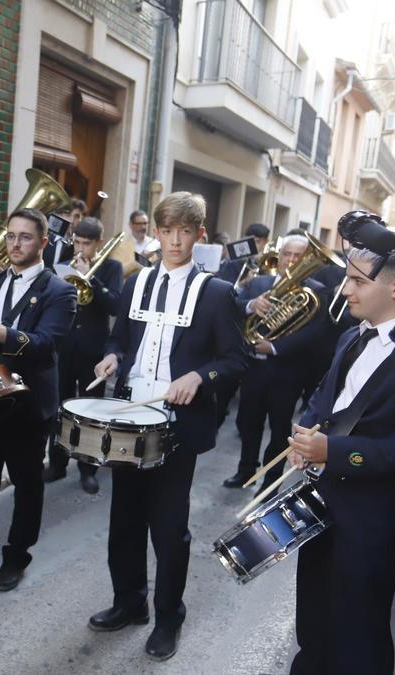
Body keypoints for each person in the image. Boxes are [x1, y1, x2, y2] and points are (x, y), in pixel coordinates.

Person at [285, 246, 395, 674]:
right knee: (313, 613)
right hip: (321, 502)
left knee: (359, 631)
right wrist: (305, 433)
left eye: (358, 281)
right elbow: (324, 399)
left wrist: (337, 452)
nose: (345, 290)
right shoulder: (351, 336)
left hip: (374, 519)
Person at [87, 192, 245, 660]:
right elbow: (120, 337)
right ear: (156, 233)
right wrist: (113, 356)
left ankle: (167, 617)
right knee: (125, 522)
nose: (175, 240)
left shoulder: (218, 293)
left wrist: (199, 376)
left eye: (184, 231)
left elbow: (235, 361)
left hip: (178, 426)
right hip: (131, 418)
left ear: (198, 234)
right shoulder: (136, 283)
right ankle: (128, 602)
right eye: (167, 230)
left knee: (169, 529)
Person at [0, 207, 76, 592]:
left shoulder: (61, 291)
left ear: (44, 242)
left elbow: (47, 345)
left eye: (25, 237)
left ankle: (17, 554)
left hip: (28, 403)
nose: (15, 243)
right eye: (11, 236)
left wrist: (0, 331)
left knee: (26, 482)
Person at [222, 234, 332, 491]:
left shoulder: (316, 290)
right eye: (287, 254)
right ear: (278, 256)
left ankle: (269, 483)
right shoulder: (259, 282)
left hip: (287, 372)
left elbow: (315, 332)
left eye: (298, 256)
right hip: (253, 369)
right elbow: (231, 308)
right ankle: (244, 471)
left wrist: (273, 347)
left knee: (280, 430)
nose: (291, 260)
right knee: (249, 424)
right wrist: (251, 304)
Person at [44, 217, 123, 493]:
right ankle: (56, 464)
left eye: (86, 243)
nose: (80, 248)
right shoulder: (63, 262)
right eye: (77, 241)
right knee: (59, 408)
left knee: (91, 412)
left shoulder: (112, 267)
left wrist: (92, 276)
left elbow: (114, 305)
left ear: (98, 243)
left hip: (94, 352)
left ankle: (88, 469)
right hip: (64, 347)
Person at [110, 209, 160, 277]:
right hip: (128, 286)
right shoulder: (120, 245)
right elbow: (117, 272)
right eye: (139, 224)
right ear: (130, 225)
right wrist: (140, 259)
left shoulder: (155, 244)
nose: (143, 227)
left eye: (145, 223)